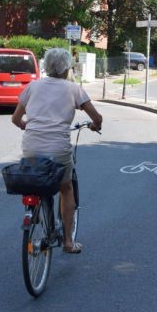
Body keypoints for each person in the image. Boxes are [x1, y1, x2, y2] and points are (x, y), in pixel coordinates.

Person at [11, 47, 103, 254]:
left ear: (46, 66)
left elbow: (16, 119)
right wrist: (94, 125)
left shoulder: (32, 87)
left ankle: (34, 212)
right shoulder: (73, 89)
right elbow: (97, 118)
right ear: (66, 68)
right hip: (58, 149)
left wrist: (29, 126)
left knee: (37, 182)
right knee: (66, 188)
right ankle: (68, 242)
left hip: (31, 146)